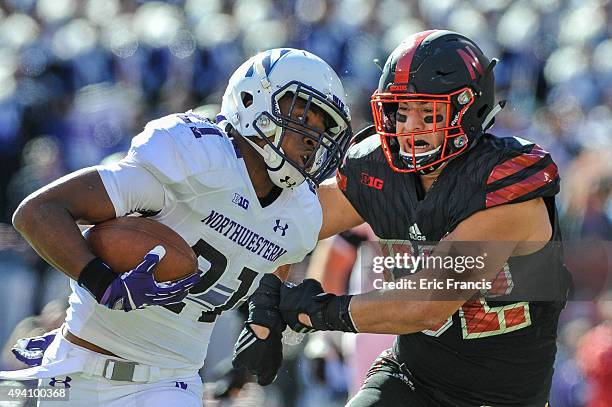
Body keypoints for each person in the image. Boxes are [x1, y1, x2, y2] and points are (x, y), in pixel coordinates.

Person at [4, 48, 352, 406]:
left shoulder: (298, 213)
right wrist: (104, 284)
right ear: (251, 99)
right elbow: (38, 212)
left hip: (170, 384)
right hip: (75, 369)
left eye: (322, 126)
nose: (312, 138)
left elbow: (274, 258)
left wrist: (260, 329)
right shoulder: (195, 159)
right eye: (302, 114)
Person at [274, 30, 571, 406]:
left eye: (429, 112)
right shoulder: (377, 169)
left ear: (469, 109)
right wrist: (265, 299)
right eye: (401, 110)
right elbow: (286, 226)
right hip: (412, 380)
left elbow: (427, 304)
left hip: (502, 398)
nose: (410, 126)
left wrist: (313, 312)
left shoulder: (506, 185)